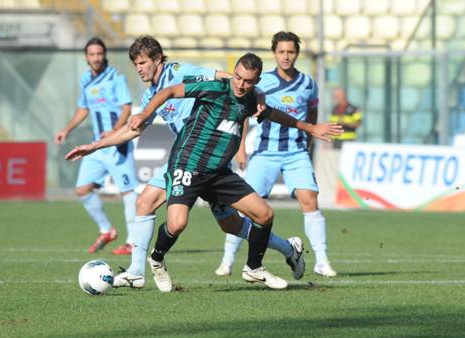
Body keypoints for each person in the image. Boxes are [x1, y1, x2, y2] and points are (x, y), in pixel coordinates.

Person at [67, 52, 342, 291]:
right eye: (238, 78)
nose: (240, 84)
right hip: (187, 163)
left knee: (259, 216)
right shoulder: (211, 86)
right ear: (233, 73)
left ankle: (256, 267)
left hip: (219, 172)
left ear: (256, 82)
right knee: (174, 222)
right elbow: (168, 93)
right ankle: (153, 261)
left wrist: (310, 128)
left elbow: (270, 113)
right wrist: (103, 140)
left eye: (248, 82)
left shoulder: (247, 97)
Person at [215, 32, 338, 278]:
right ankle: (227, 260)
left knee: (309, 199)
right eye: (281, 52)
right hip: (265, 153)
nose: (286, 56)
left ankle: (322, 261)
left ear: (297, 54)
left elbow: (311, 112)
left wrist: (310, 137)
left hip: (295, 151)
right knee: (245, 207)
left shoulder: (308, 83)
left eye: (290, 52)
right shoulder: (261, 83)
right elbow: (245, 113)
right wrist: (241, 148)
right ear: (274, 53)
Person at [54, 37, 138, 255]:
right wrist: (67, 130)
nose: (96, 58)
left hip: (117, 143)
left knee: (128, 191)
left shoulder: (115, 77)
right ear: (86, 57)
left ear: (104, 55)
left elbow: (126, 108)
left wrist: (115, 130)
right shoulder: (86, 80)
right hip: (96, 146)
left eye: (99, 53)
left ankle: (132, 242)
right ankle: (107, 230)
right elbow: (83, 109)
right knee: (82, 189)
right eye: (92, 54)